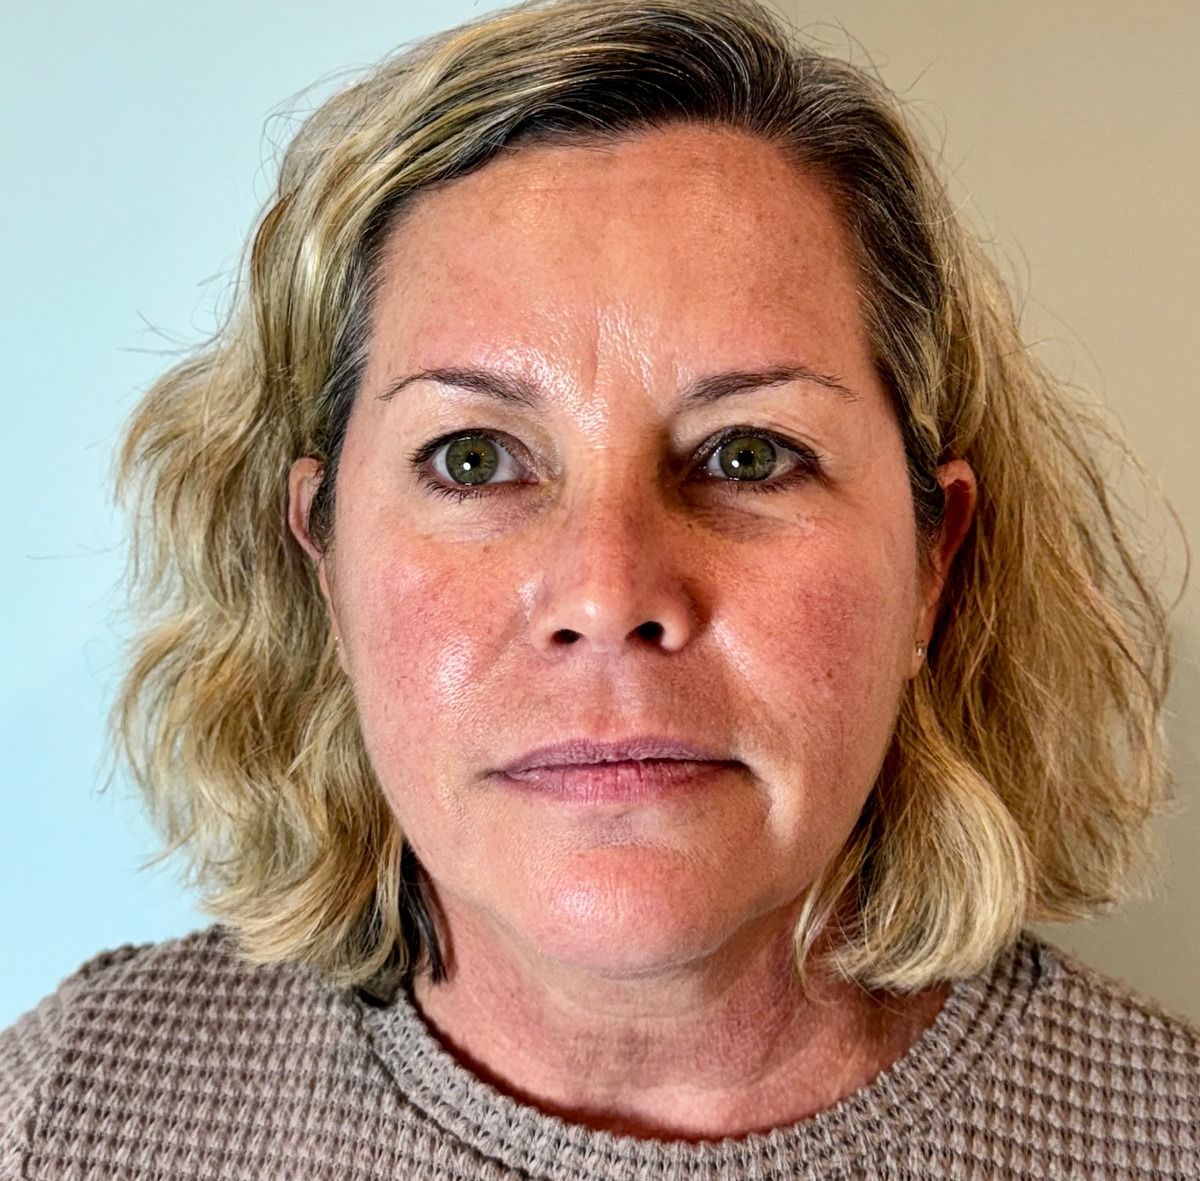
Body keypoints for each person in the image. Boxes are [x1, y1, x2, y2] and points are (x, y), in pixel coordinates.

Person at [3, 0, 1197, 1175]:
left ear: (936, 559)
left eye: (748, 454)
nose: (608, 591)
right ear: (325, 561)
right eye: (474, 459)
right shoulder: (64, 1112)